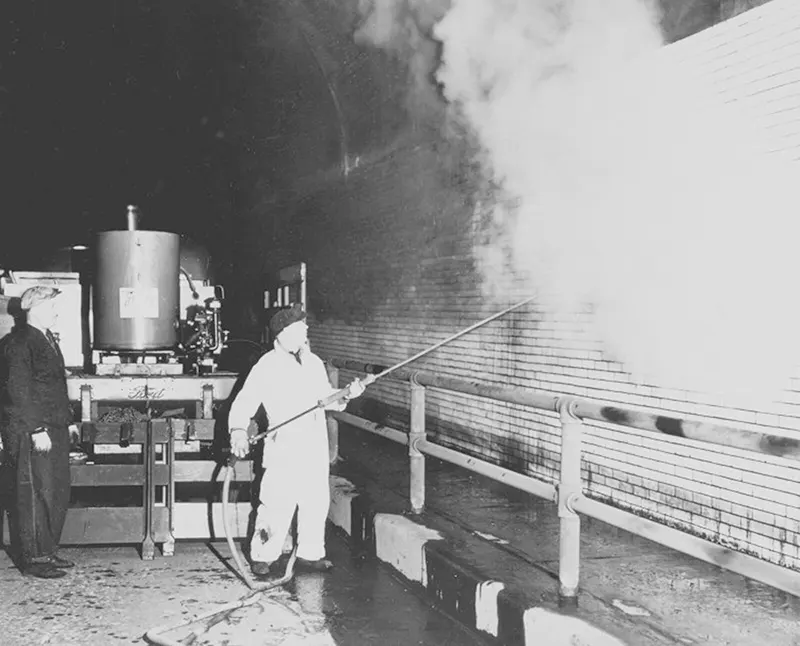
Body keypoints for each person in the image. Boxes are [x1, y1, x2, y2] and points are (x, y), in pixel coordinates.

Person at [228, 303, 365, 578]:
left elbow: (326, 398)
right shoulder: (267, 365)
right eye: (300, 326)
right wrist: (238, 431)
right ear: (284, 332)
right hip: (284, 447)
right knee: (276, 504)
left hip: (313, 446)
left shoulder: (313, 362)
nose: (306, 329)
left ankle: (310, 554)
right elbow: (245, 400)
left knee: (315, 502)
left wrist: (347, 393)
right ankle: (263, 556)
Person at [0, 286, 78, 579]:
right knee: (33, 493)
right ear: (35, 308)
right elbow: (18, 392)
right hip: (32, 430)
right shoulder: (19, 343)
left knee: (54, 491)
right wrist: (37, 429)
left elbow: (54, 386)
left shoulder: (46, 340)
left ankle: (47, 550)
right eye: (52, 306)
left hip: (52, 427)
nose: (56, 312)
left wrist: (67, 420)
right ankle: (34, 559)